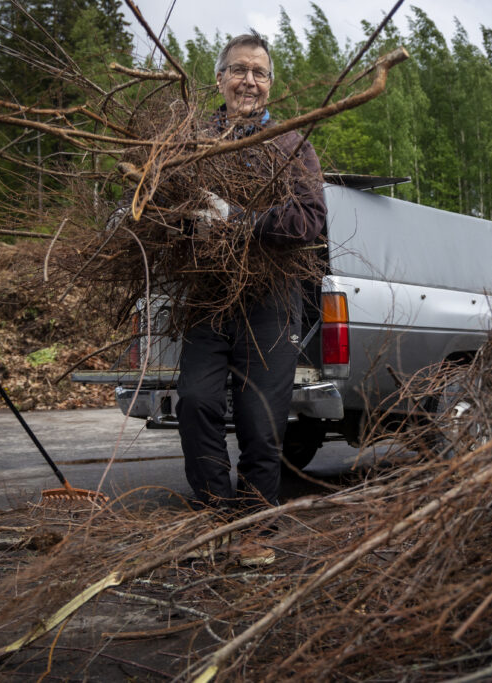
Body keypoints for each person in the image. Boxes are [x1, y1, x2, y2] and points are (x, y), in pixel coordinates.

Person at [175, 31, 327, 564]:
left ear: (270, 85)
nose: (249, 81)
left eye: (259, 73)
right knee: (195, 401)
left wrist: (241, 221)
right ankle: (215, 515)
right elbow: (165, 206)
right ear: (219, 79)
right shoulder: (193, 142)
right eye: (239, 70)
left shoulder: (292, 146)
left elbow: (311, 221)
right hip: (208, 295)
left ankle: (256, 526)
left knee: (262, 420)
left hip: (271, 296)